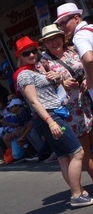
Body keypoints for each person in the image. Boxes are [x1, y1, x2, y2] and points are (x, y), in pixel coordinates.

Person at [13, 35, 92, 207]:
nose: (33, 55)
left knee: (64, 157)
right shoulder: (24, 74)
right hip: (49, 115)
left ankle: (77, 190)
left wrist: (56, 77)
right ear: (19, 56)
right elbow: (34, 101)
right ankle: (76, 194)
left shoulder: (36, 69)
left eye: (34, 51)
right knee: (77, 152)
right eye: (27, 53)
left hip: (53, 114)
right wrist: (51, 121)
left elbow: (49, 91)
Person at [39, 23, 93, 182]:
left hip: (88, 104)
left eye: (56, 38)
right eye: (49, 41)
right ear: (45, 44)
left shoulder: (73, 51)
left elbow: (88, 66)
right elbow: (42, 89)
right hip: (71, 113)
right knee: (85, 153)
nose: (54, 42)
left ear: (62, 38)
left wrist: (86, 79)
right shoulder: (43, 63)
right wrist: (62, 82)